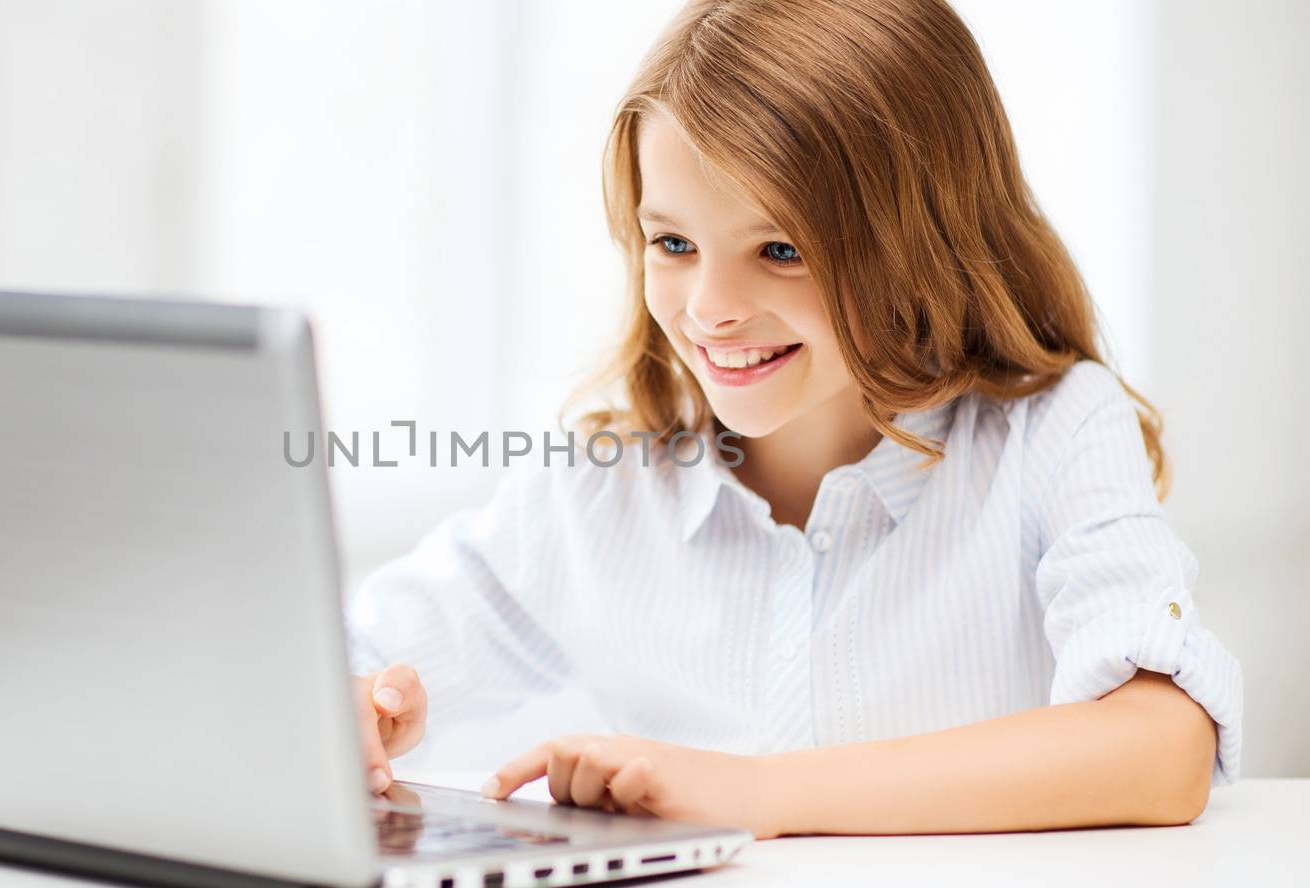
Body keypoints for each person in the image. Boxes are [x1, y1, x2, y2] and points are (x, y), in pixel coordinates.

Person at [344, 0, 1241, 839]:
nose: (710, 309)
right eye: (674, 244)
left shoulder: (1051, 434)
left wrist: (754, 791)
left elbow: (1164, 748)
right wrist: (359, 702)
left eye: (780, 250)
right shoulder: (600, 483)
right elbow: (345, 653)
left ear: (924, 239)